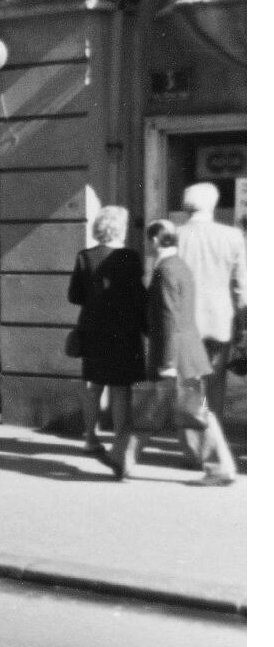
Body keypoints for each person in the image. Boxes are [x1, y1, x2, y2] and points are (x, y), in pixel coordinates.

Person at [106, 220, 237, 486]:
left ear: (154, 242)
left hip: (176, 359)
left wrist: (167, 361)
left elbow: (169, 317)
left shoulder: (165, 271)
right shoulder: (180, 266)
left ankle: (220, 467)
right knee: (173, 410)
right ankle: (121, 458)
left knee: (177, 412)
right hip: (187, 356)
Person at [66, 205, 147, 461]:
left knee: (94, 385)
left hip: (93, 330)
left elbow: (74, 296)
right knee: (121, 387)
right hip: (124, 331)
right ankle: (120, 442)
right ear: (120, 229)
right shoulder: (131, 258)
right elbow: (138, 298)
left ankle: (90, 438)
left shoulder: (84, 257)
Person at [176, 182, 246, 464]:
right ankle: (212, 446)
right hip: (219, 320)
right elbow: (242, 286)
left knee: (190, 385)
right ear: (213, 205)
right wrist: (243, 322)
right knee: (215, 383)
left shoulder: (175, 235)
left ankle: (193, 449)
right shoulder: (231, 236)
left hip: (184, 321)